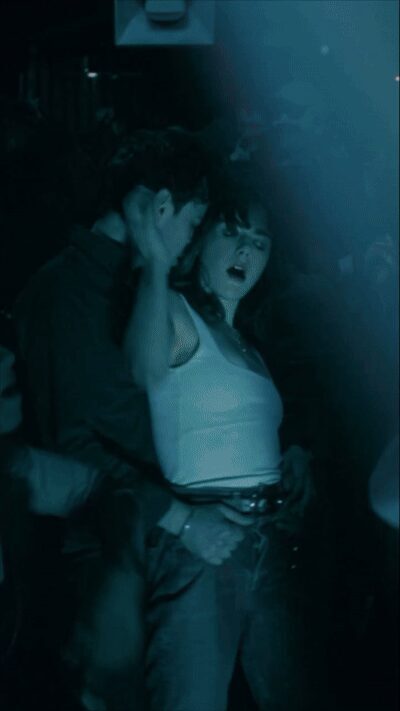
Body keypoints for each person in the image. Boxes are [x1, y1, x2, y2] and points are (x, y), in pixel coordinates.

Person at [12, 128, 211, 710]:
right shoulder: (65, 290)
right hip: (102, 560)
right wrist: (181, 520)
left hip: (138, 542)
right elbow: (73, 450)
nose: (190, 243)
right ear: (161, 207)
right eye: (192, 223)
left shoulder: (123, 283)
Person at [125, 167, 314, 711]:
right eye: (232, 233)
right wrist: (156, 261)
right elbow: (144, 366)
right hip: (206, 541)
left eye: (260, 242)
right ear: (203, 237)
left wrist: (295, 456)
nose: (246, 250)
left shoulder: (247, 341)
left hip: (270, 538)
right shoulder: (180, 315)